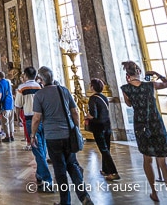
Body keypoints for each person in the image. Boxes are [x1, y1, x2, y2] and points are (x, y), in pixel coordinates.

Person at [31, 67, 93, 205]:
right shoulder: (63, 90)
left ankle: (65, 202)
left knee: (60, 169)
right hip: (68, 134)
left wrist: (32, 135)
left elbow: (36, 118)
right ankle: (84, 196)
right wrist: (76, 128)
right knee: (72, 165)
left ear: (41, 80)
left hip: (53, 137)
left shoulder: (39, 95)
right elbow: (75, 112)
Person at [121, 61, 167, 205]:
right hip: (155, 123)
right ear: (139, 71)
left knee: (147, 160)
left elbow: (129, 104)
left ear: (127, 75)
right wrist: (156, 75)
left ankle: (154, 192)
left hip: (141, 125)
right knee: (163, 162)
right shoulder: (150, 85)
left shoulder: (125, 88)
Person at [15, 66, 52, 191]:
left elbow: (18, 105)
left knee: (37, 150)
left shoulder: (22, 87)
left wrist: (18, 118)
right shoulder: (40, 86)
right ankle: (39, 174)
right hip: (42, 119)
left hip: (31, 120)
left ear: (25, 75)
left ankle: (47, 179)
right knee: (43, 147)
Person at [87, 78, 119, 181]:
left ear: (92, 87)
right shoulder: (104, 97)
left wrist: (87, 116)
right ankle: (105, 170)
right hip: (107, 125)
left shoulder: (93, 98)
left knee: (103, 150)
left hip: (98, 127)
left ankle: (114, 172)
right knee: (106, 149)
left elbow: (93, 114)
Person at [0, 71, 15, 142]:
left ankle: (7, 136)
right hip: (11, 103)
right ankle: (12, 135)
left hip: (5, 104)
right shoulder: (8, 82)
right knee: (11, 120)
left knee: (5, 120)